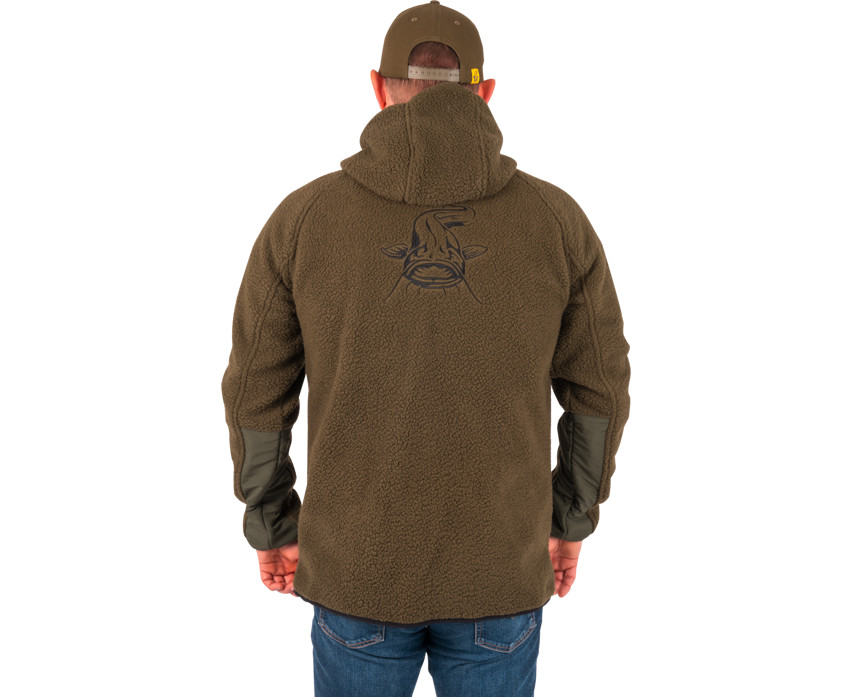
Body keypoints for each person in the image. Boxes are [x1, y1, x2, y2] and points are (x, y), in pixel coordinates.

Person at [220, 2, 631, 695]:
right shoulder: (556, 221)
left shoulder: (304, 219)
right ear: (485, 91)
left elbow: (254, 393)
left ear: (378, 89)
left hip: (355, 576)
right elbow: (601, 391)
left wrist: (272, 522)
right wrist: (570, 519)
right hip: (501, 572)